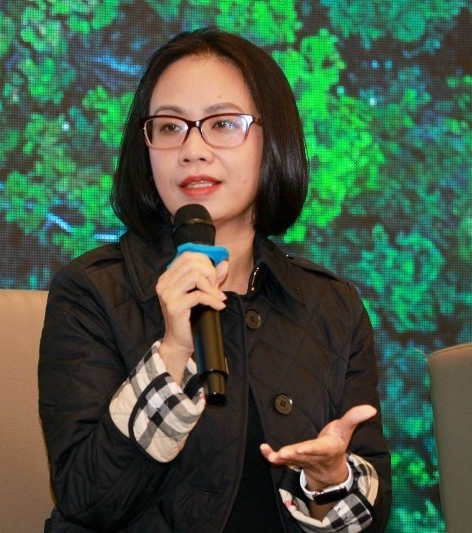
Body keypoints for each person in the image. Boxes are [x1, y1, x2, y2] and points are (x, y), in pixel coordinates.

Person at [38, 27, 391, 532]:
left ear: (273, 140)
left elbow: (370, 520)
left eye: (223, 123)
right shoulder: (91, 291)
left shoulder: (331, 306)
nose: (192, 149)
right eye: (169, 127)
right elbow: (86, 499)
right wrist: (172, 353)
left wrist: (330, 481)